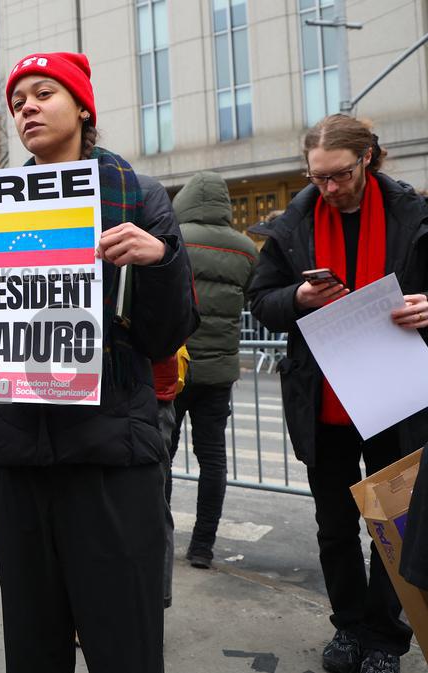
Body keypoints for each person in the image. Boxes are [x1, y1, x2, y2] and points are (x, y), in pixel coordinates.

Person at [0, 52, 198, 672]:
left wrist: (159, 262)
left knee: (123, 641)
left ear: (83, 108)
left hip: (110, 455)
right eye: (17, 100)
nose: (26, 107)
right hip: (19, 455)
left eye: (43, 93)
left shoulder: (140, 196)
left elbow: (167, 335)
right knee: (32, 642)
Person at [248, 114, 428, 673]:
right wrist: (298, 298)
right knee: (334, 524)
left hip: (394, 394)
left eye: (339, 175)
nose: (328, 188)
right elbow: (261, 299)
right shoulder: (293, 224)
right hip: (322, 395)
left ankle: (384, 638)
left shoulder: (414, 213)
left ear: (367, 157)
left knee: (391, 524)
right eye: (317, 177)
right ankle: (348, 628)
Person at [166, 171, 257, 570]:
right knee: (213, 461)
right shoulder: (246, 250)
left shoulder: (172, 238)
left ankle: (158, 538)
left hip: (176, 368)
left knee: (159, 459)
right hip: (219, 374)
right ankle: (202, 546)